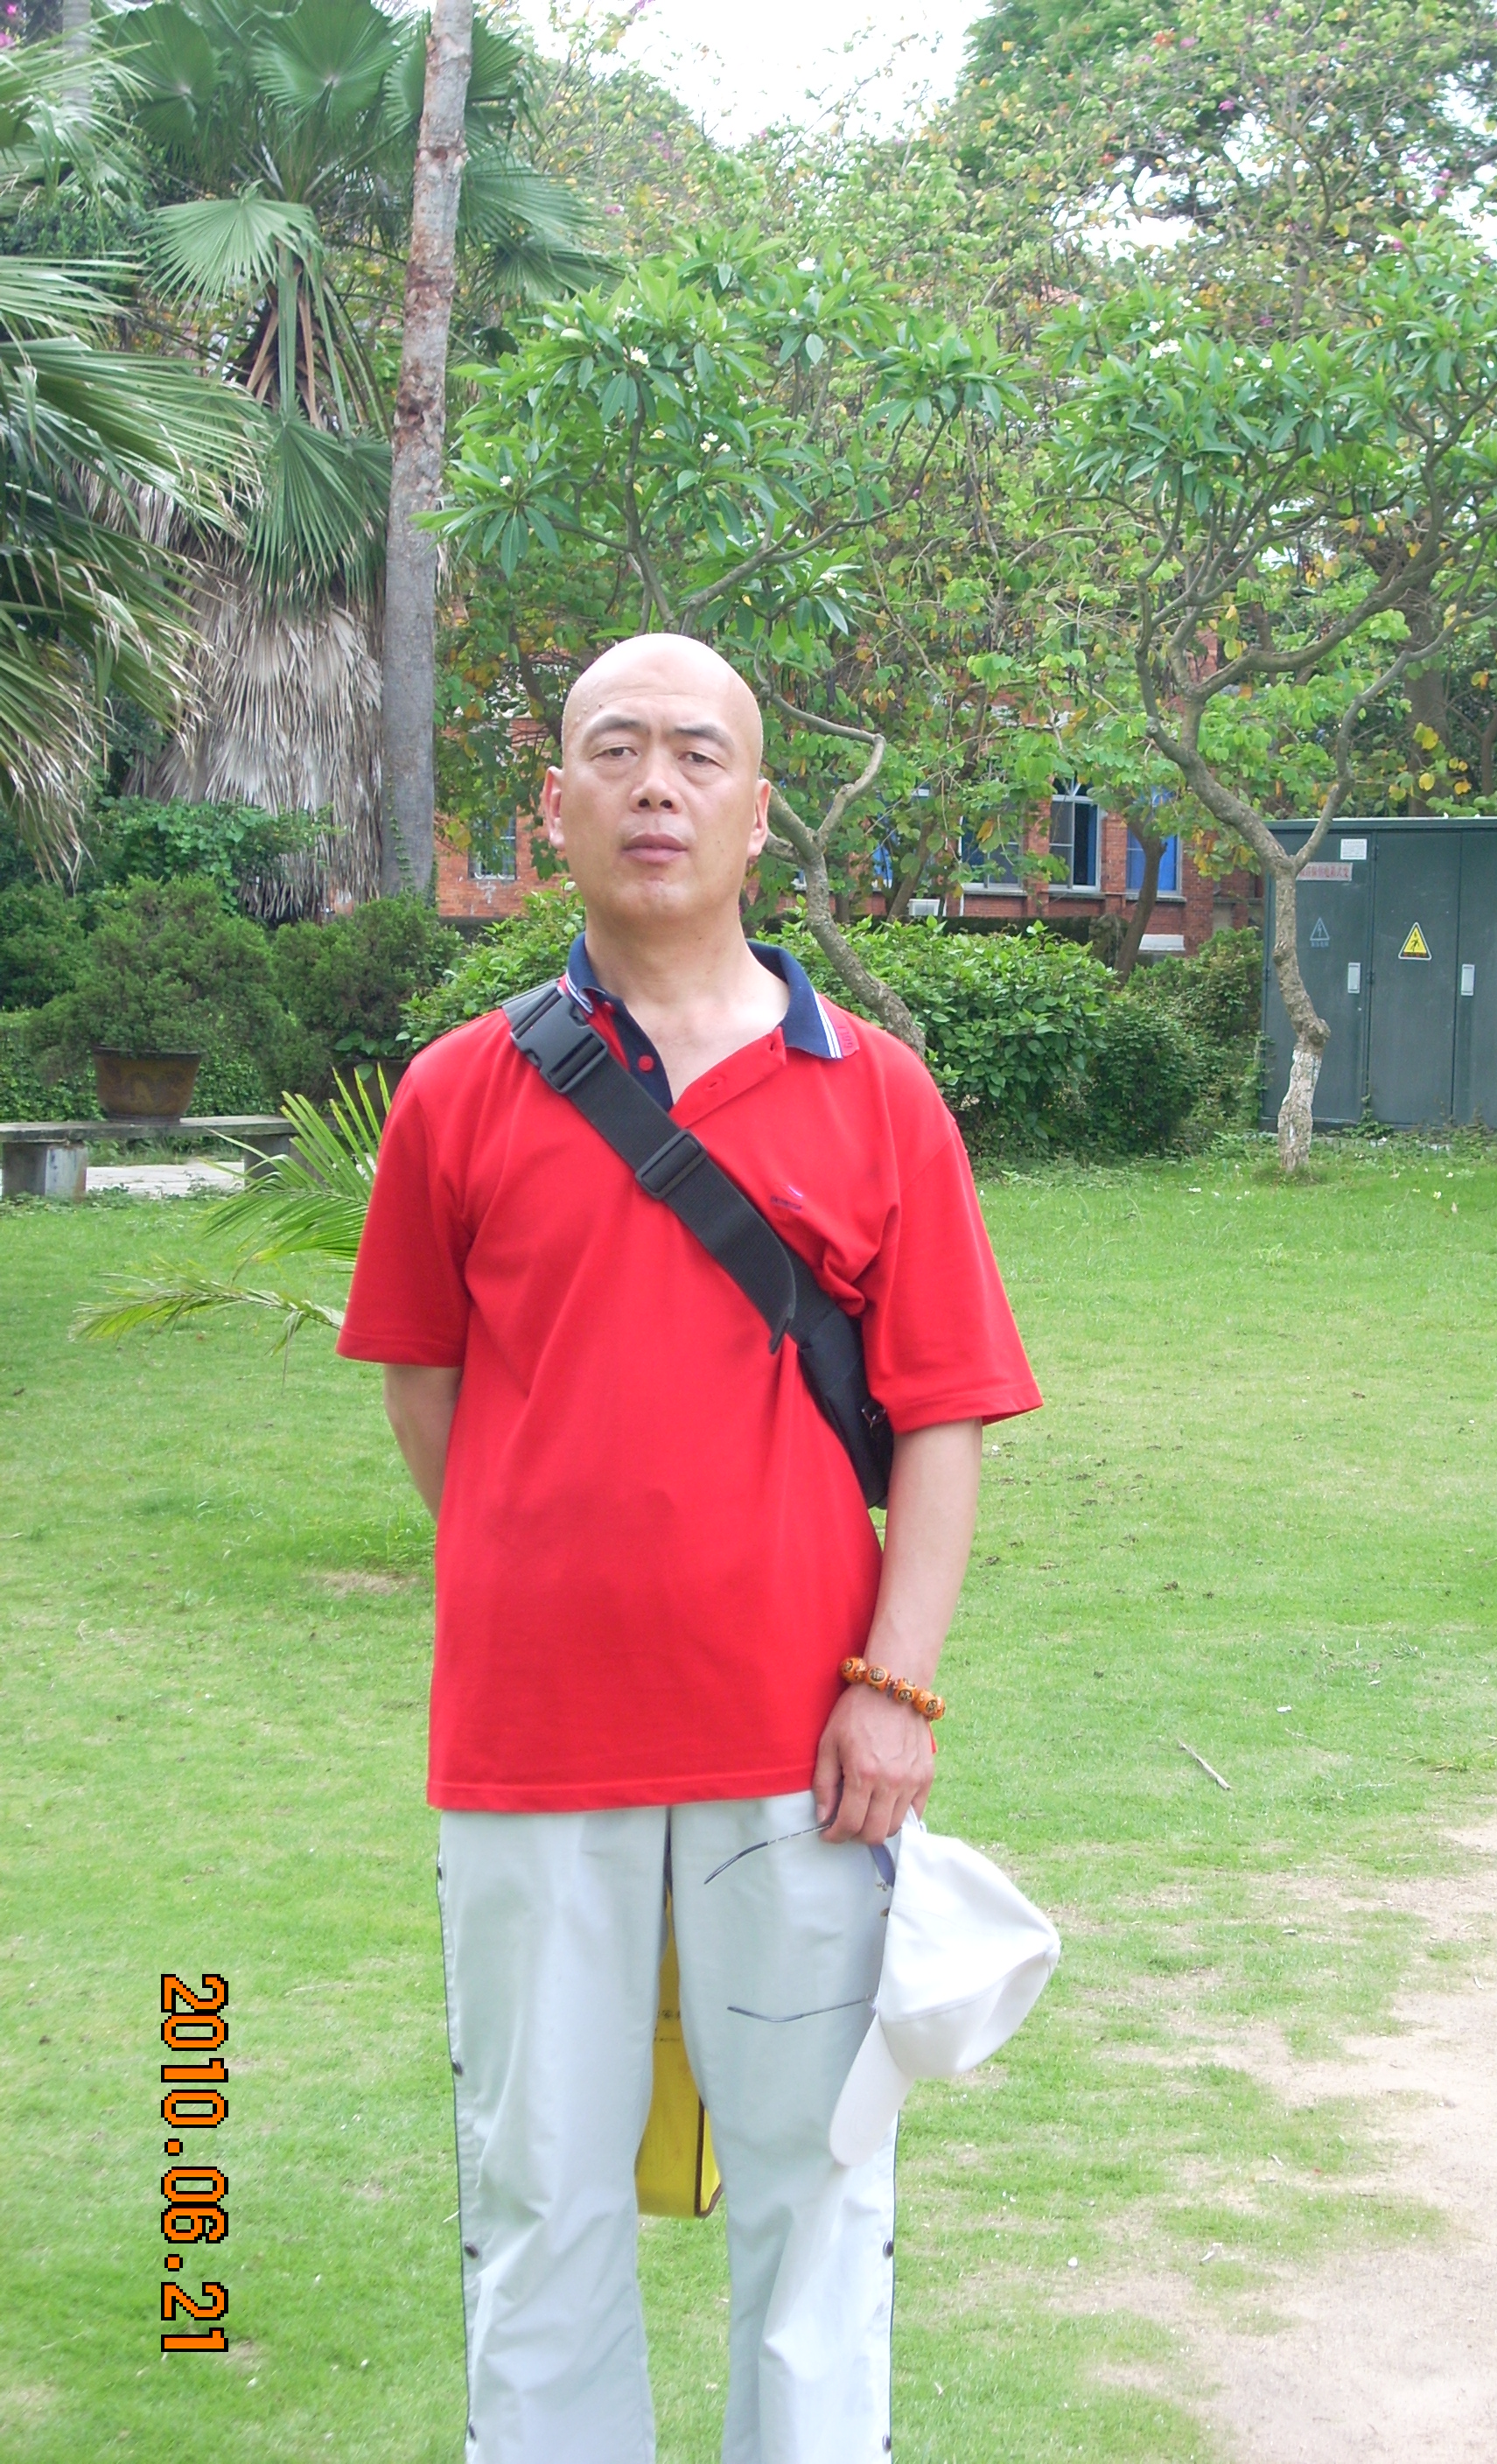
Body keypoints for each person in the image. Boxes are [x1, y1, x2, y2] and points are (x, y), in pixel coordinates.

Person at [337, 632, 1042, 2463]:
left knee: (816, 2190)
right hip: (529, 1744)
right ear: (556, 804)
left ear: (757, 812)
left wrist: (896, 1687)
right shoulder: (458, 1093)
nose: (657, 784)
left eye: (698, 754)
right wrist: (548, 1562)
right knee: (539, 2190)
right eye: (618, 750)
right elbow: (428, 1389)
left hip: (802, 1748)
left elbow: (945, 1418)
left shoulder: (877, 1091)